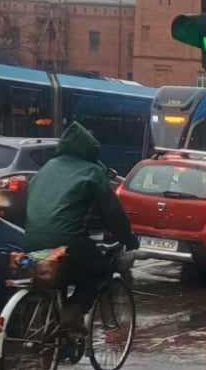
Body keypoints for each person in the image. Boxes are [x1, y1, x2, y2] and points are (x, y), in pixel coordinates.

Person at [24, 122, 139, 333]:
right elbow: (111, 213)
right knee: (101, 270)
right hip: (67, 241)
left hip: (30, 241)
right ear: (90, 150)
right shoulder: (92, 171)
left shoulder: (47, 167)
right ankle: (73, 312)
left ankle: (51, 333)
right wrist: (128, 238)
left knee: (57, 276)